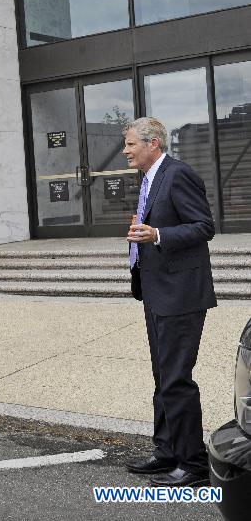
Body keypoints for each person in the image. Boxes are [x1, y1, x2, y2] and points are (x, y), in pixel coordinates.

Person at [122, 116, 216, 487]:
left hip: (180, 295)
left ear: (153, 143)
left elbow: (204, 226)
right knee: (162, 377)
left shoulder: (178, 174)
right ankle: (166, 452)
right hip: (156, 290)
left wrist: (158, 233)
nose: (126, 150)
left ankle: (193, 464)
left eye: (131, 144)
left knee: (176, 380)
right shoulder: (148, 178)